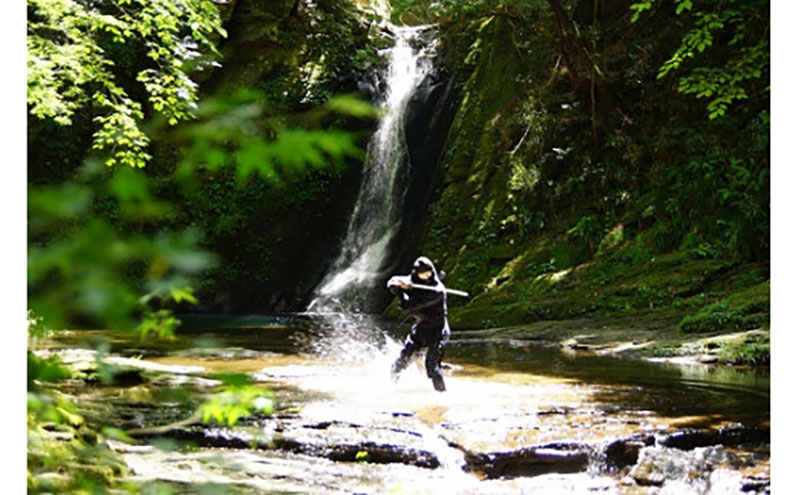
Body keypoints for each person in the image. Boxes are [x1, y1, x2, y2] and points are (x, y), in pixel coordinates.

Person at [386, 256, 450, 392]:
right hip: (421, 328)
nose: (427, 276)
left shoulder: (437, 290)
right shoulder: (412, 280)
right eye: (422, 273)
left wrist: (403, 293)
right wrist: (399, 286)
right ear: (416, 273)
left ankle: (442, 396)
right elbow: (391, 282)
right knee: (400, 362)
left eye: (429, 272)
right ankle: (390, 388)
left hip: (438, 330)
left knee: (431, 367)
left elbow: (410, 305)